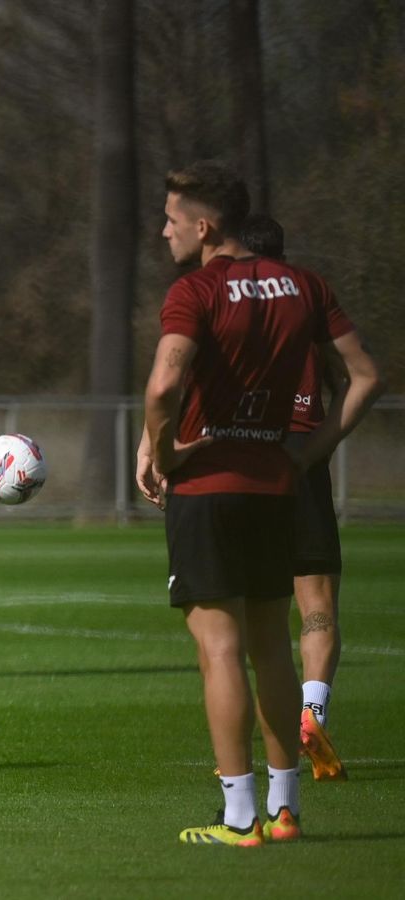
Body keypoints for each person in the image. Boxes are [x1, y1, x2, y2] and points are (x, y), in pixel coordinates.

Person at [136, 163, 381, 846]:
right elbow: (367, 375)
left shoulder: (196, 290)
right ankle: (285, 812)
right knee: (273, 646)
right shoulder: (304, 285)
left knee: (218, 646)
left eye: (171, 218)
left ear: (204, 226)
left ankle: (238, 816)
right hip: (277, 483)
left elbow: (163, 386)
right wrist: (312, 451)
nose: (164, 230)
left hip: (210, 486)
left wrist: (164, 449)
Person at [239, 213, 384, 781]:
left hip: (243, 464)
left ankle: (259, 764)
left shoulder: (217, 298)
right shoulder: (310, 297)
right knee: (317, 604)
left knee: (253, 618)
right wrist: (318, 442)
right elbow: (360, 376)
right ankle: (312, 711)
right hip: (304, 459)